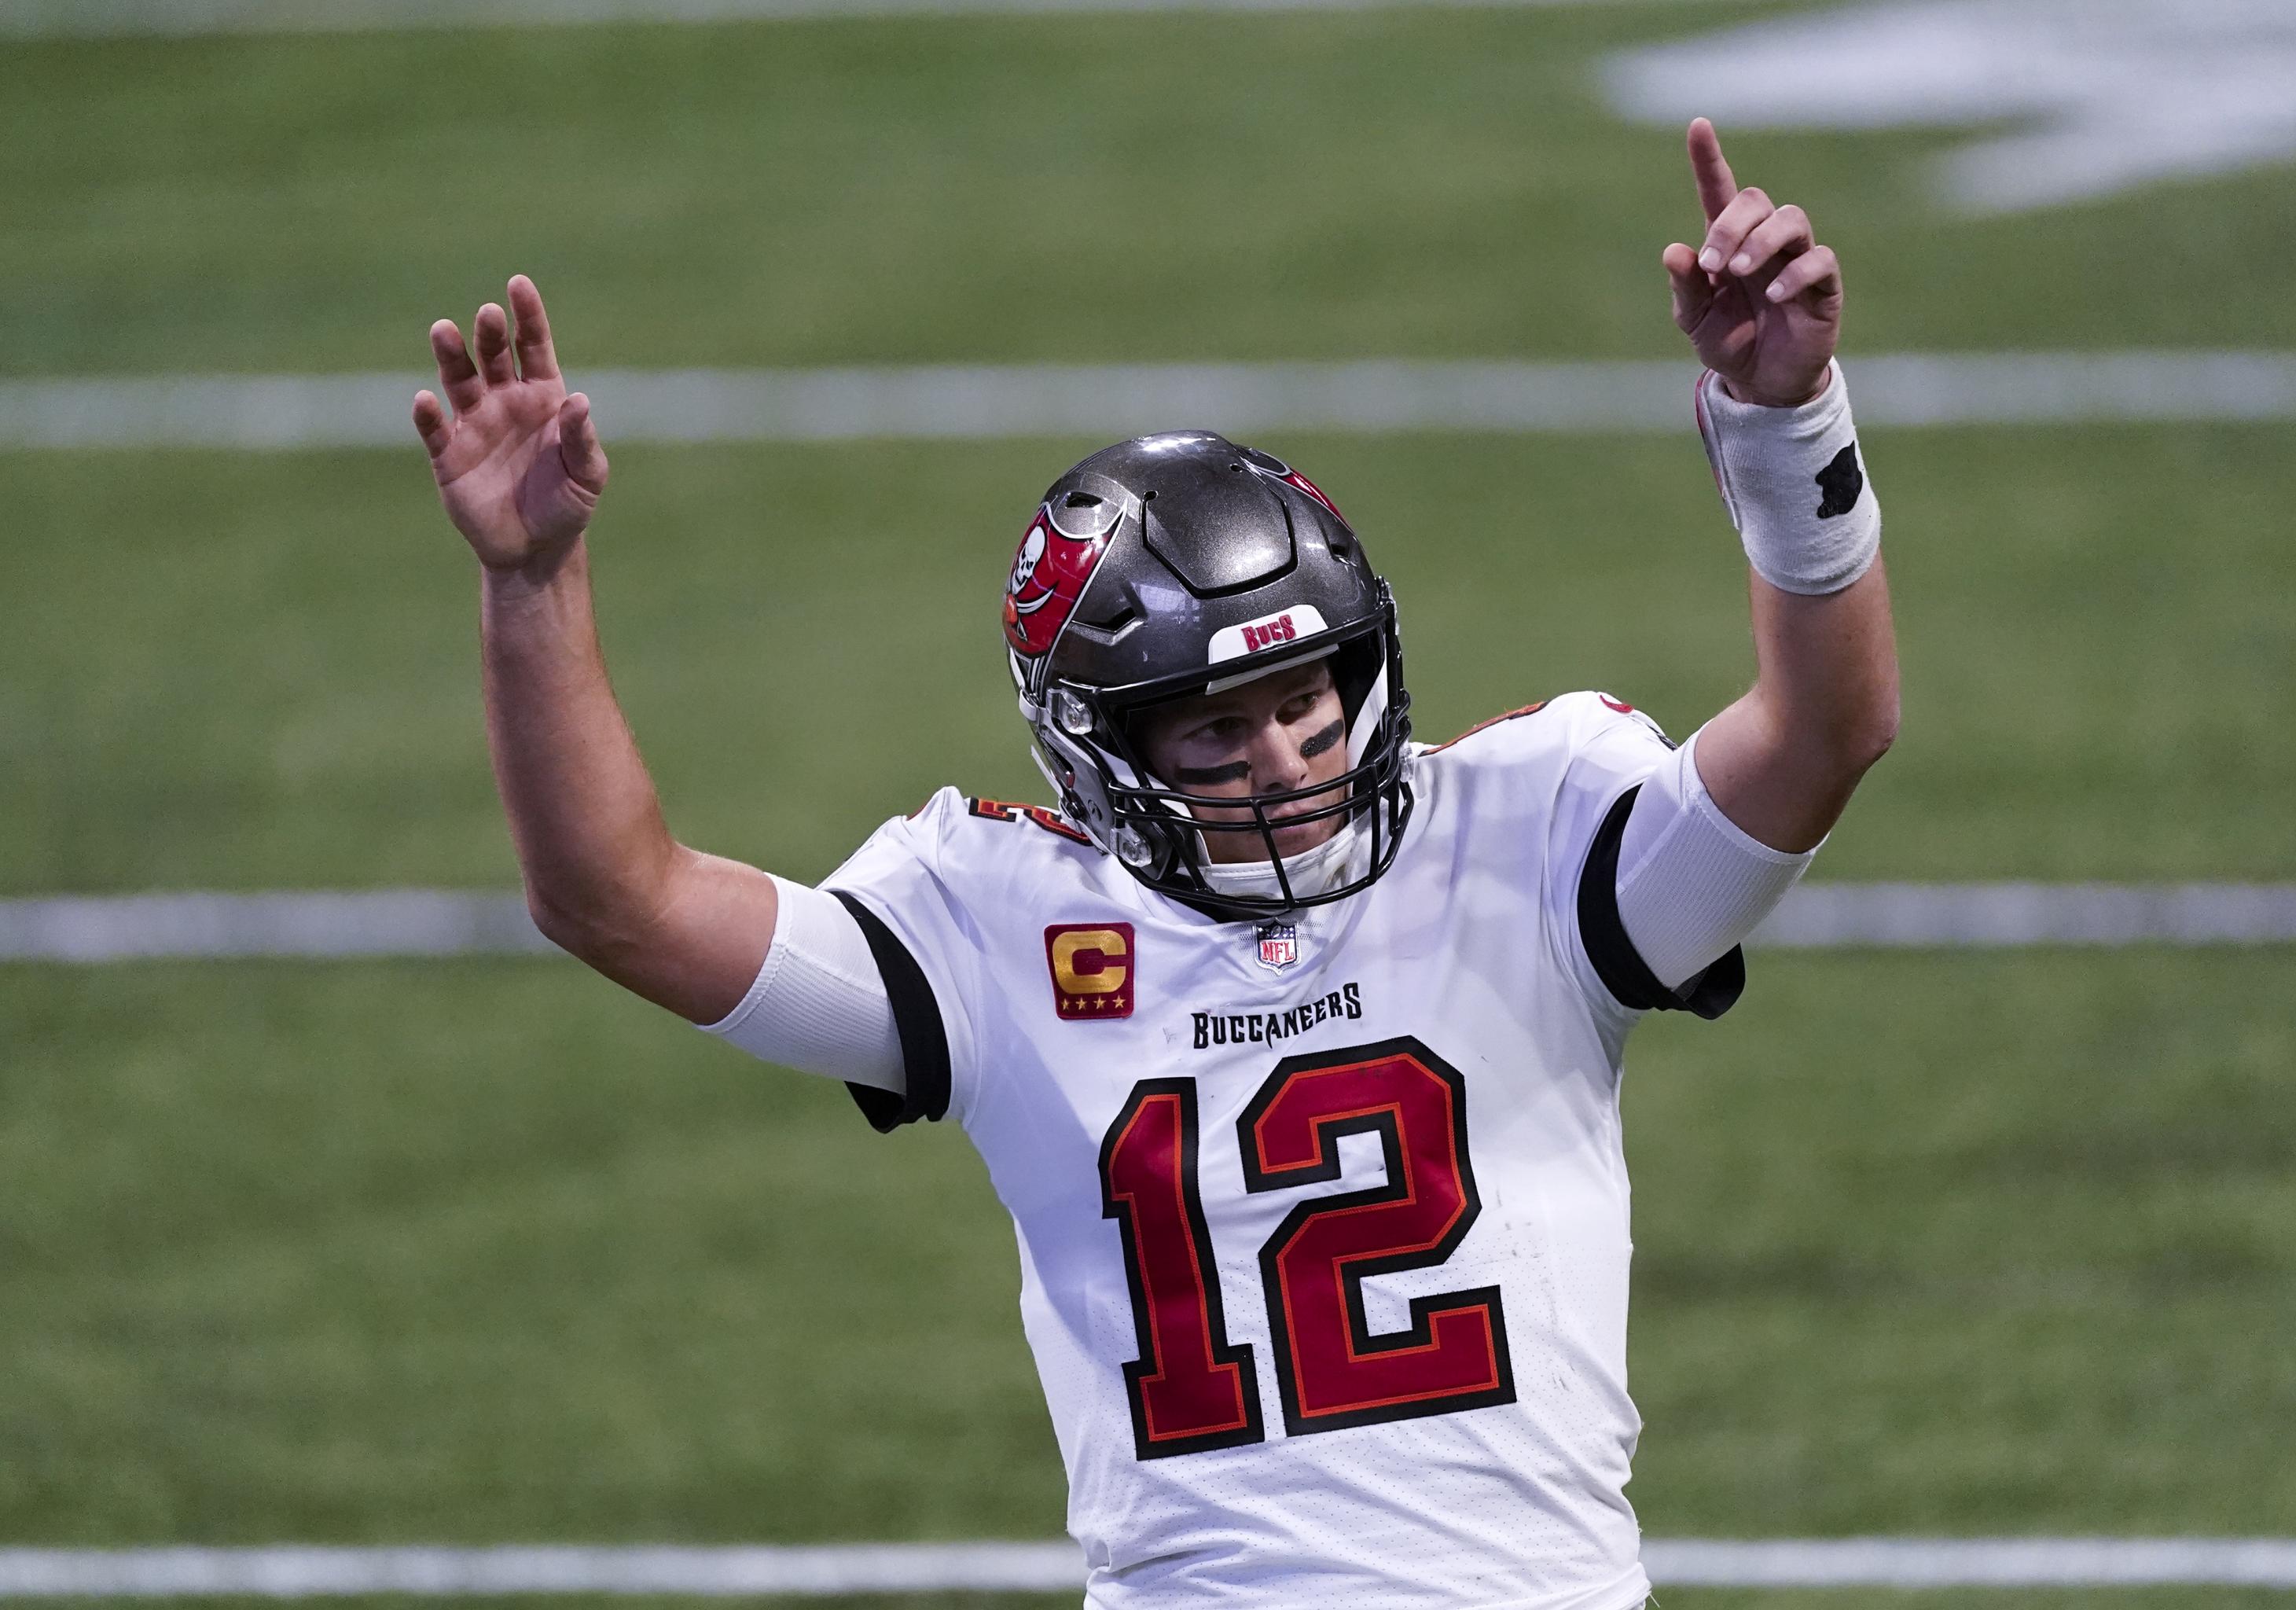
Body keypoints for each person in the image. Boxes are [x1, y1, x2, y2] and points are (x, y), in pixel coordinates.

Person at [410, 119, 1897, 1610]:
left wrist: (1787, 425)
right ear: (1096, 747)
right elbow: (618, 899)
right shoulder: (992, 925)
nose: (1282, 759)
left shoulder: (1531, 829)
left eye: (1307, 698)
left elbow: (1825, 736)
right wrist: (533, 583)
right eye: (1215, 729)